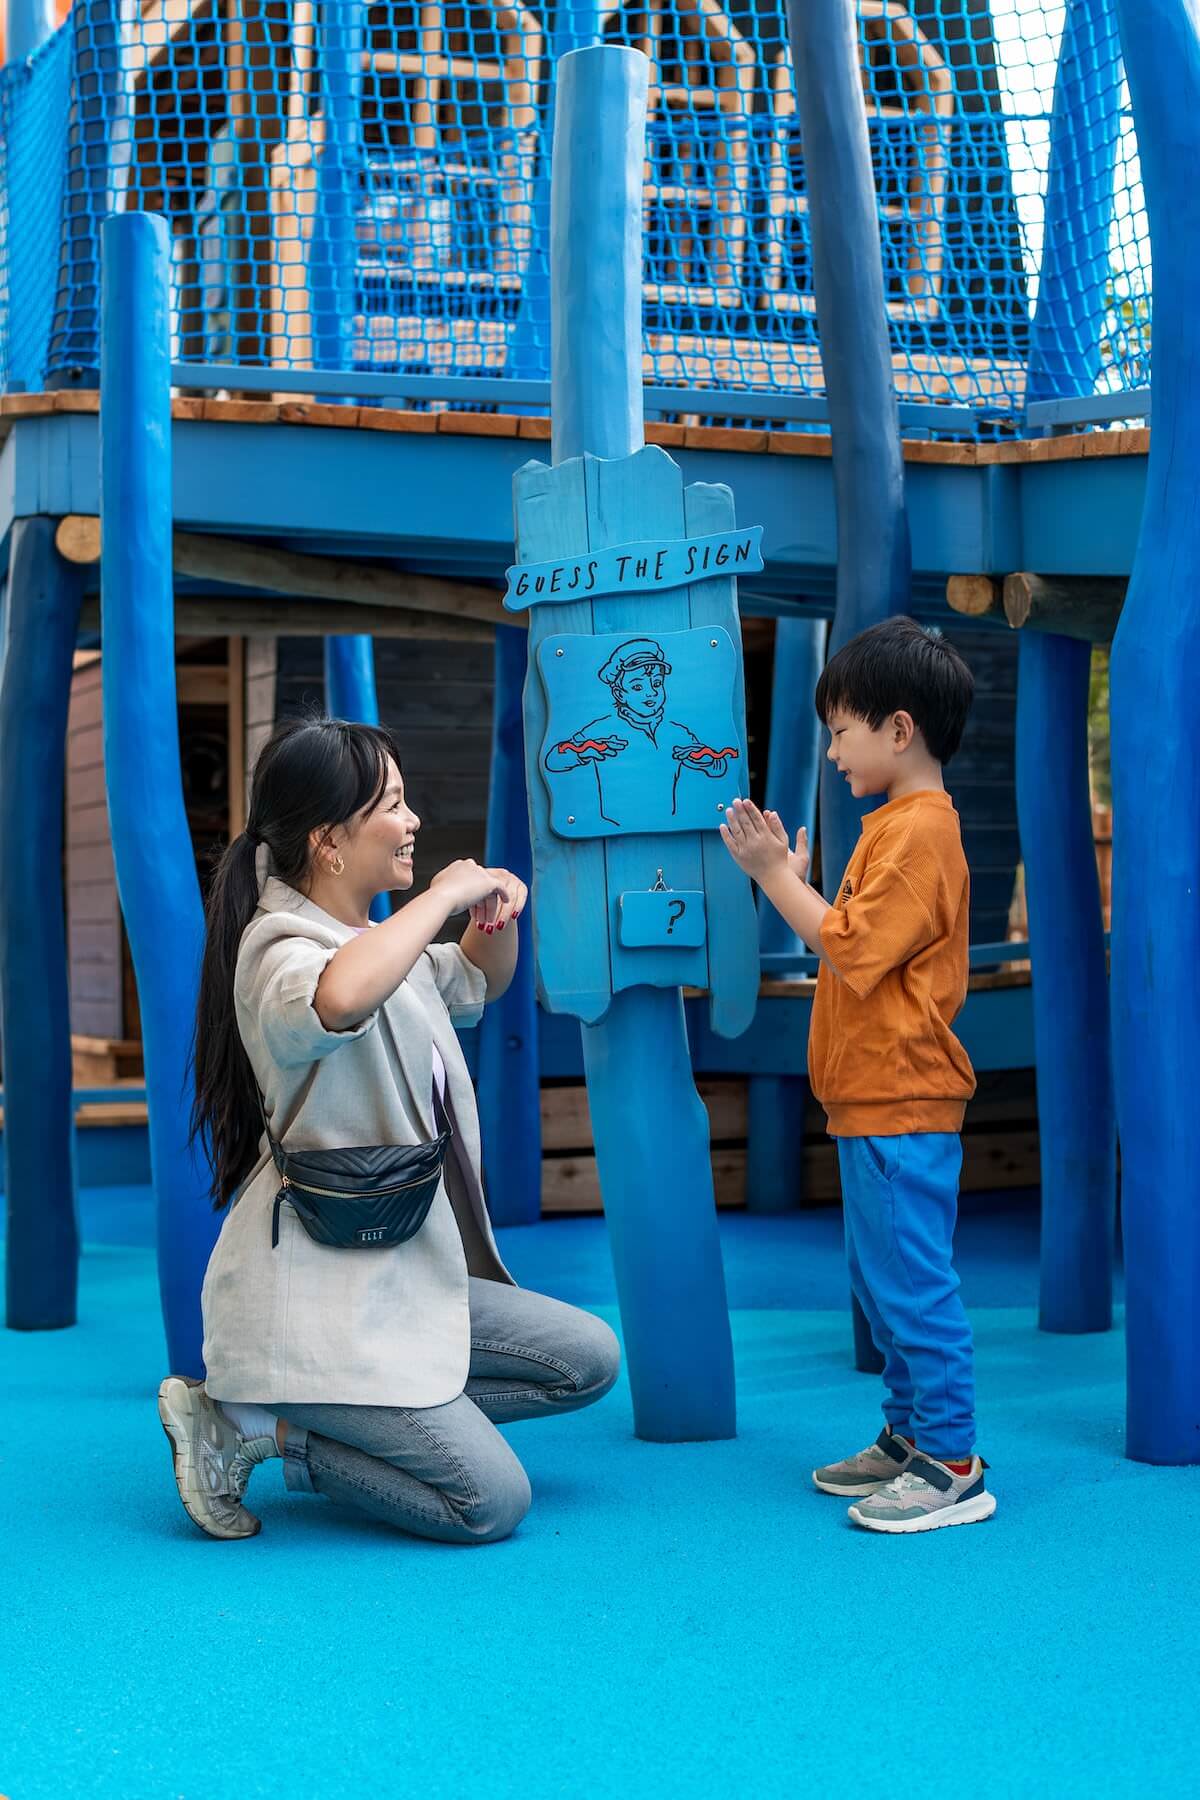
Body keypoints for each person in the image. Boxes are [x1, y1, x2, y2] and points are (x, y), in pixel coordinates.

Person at [158, 716, 619, 1544]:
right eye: (394, 805)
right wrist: (442, 895)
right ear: (330, 841)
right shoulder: (278, 951)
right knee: (489, 1503)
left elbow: (474, 981)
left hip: (400, 1273)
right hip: (315, 1303)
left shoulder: (370, 939)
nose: (412, 823)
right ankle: (262, 1429)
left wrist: (489, 922)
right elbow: (338, 1000)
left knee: (586, 1359)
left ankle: (364, 1416)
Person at [720, 617, 994, 1534]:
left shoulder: (920, 834)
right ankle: (912, 1434)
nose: (832, 749)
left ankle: (952, 1460)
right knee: (883, 1285)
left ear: (899, 730)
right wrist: (796, 877)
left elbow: (854, 948)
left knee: (912, 1282)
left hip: (904, 1099)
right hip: (872, 1099)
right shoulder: (894, 829)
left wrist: (773, 878)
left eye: (842, 730)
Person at [545, 637, 733, 828]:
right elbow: (553, 761)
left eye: (657, 683)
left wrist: (707, 761)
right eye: (637, 687)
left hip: (670, 828)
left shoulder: (677, 732)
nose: (651, 692)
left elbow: (720, 768)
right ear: (619, 694)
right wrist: (582, 752)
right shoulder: (603, 730)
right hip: (612, 833)